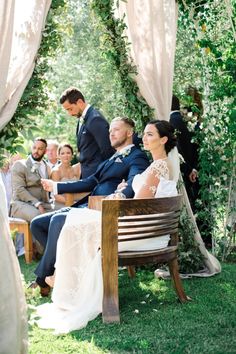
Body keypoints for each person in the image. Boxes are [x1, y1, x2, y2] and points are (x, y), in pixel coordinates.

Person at [34, 120, 179, 334]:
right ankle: (59, 272)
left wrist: (121, 192)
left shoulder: (157, 165)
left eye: (149, 134)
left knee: (73, 222)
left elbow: (139, 203)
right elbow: (143, 195)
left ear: (163, 140)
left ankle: (60, 275)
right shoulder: (159, 164)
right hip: (143, 228)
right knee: (73, 221)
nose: (144, 138)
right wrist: (125, 187)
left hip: (135, 231)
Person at [30, 117, 150, 296]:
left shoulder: (137, 156)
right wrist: (56, 186)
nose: (111, 134)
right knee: (37, 224)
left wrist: (121, 194)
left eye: (116, 130)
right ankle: (64, 268)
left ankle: (43, 278)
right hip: (87, 206)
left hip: (103, 211)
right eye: (110, 131)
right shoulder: (112, 157)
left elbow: (135, 182)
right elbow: (90, 181)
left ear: (129, 132)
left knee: (57, 220)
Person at [60, 87, 114, 178]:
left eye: (70, 109)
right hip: (87, 174)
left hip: (97, 175)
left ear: (80, 102)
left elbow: (107, 149)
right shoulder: (82, 118)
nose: (70, 113)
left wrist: (103, 175)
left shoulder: (95, 118)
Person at [10, 138, 52, 222]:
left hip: (44, 203)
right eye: (34, 148)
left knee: (61, 213)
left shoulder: (47, 166)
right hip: (21, 204)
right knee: (39, 217)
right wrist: (37, 203)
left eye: (40, 149)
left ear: (45, 151)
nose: (36, 151)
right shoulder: (20, 165)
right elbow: (19, 190)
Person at [170, 95, 199, 210]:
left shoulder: (170, 122)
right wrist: (194, 168)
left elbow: (177, 150)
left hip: (182, 172)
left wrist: (188, 169)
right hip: (194, 171)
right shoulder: (188, 120)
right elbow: (197, 146)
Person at [50, 143, 81, 209]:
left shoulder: (76, 169)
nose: (66, 155)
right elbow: (56, 196)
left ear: (72, 155)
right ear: (58, 156)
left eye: (68, 153)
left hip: (75, 203)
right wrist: (73, 203)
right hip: (61, 205)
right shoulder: (56, 171)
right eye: (62, 153)